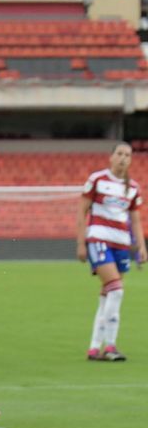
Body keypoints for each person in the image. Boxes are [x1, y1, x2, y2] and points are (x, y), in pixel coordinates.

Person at [77, 142, 144, 361]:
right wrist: (81, 242)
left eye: (127, 155)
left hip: (121, 244)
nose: (123, 158)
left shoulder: (132, 187)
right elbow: (81, 211)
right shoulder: (97, 180)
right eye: (120, 154)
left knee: (108, 295)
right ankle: (111, 346)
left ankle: (95, 347)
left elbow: (135, 220)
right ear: (111, 157)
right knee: (116, 289)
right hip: (98, 239)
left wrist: (141, 246)